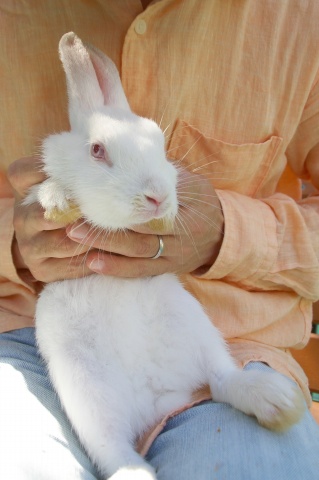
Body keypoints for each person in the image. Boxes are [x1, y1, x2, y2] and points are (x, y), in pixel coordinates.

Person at [1, 1, 319, 478]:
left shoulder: (299, 20)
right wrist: (15, 241)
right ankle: (116, 456)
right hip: (34, 332)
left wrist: (228, 233)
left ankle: (225, 380)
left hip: (220, 339)